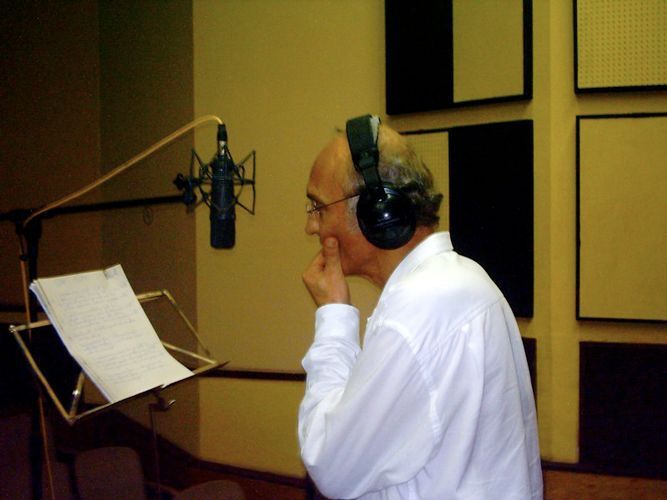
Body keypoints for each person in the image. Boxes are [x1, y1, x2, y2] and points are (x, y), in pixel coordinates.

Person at [298, 115, 542, 499]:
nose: (311, 227)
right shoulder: (465, 279)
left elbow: (330, 464)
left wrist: (334, 317)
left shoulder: (416, 314)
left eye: (318, 207)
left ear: (376, 212)